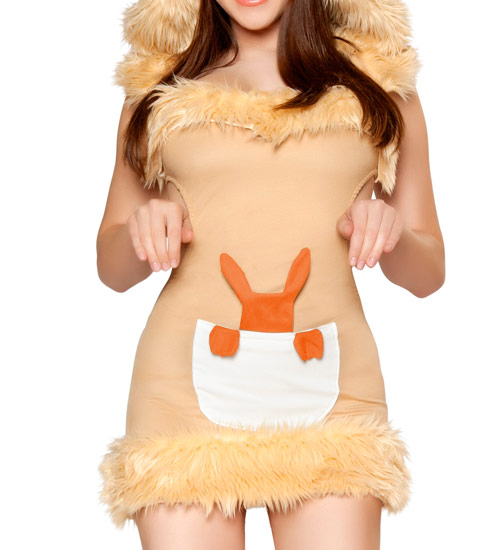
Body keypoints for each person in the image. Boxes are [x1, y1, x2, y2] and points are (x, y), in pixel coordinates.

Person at [96, 0, 445, 548]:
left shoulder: (379, 79)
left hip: (337, 399)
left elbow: (429, 274)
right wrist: (143, 229)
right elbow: (111, 268)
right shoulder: (160, 82)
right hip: (180, 396)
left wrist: (392, 233)